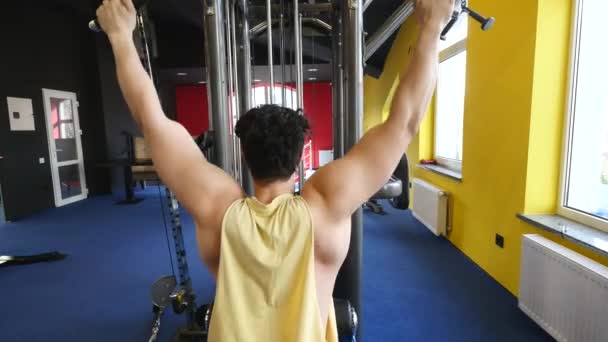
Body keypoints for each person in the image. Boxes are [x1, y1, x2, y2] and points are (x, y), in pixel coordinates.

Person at [96, 0, 453, 340]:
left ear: (245, 154)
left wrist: (120, 36)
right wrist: (431, 27)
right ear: (300, 157)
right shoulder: (326, 203)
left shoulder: (218, 207)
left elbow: (151, 119)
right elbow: (404, 121)